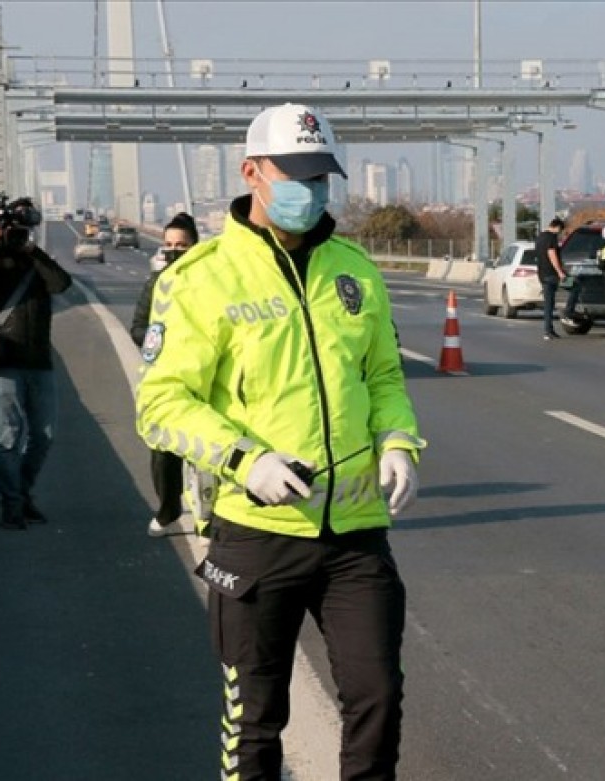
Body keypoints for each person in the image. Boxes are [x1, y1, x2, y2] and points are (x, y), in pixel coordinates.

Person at [134, 103, 425, 780]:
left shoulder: (354, 269)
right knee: (255, 718)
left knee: (379, 696)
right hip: (256, 529)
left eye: (322, 176)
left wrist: (399, 442)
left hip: (355, 533)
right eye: (295, 174)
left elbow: (382, 375)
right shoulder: (199, 278)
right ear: (252, 172)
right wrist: (245, 457)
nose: (311, 191)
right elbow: (160, 403)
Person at [0, 196, 72, 531]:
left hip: (39, 361)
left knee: (45, 435)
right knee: (9, 437)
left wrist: (30, 249)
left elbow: (61, 283)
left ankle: (22, 494)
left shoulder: (31, 261)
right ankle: (12, 507)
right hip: (2, 361)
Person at [129, 212, 199, 538]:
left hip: (207, 380)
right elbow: (138, 329)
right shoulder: (155, 285)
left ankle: (210, 518)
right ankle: (168, 508)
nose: (174, 252)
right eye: (169, 245)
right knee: (164, 453)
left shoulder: (212, 284)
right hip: (169, 380)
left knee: (208, 453)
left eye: (181, 246)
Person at [535, 216, 567, 340]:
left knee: (549, 302)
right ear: (557, 227)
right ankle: (548, 330)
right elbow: (552, 254)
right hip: (551, 274)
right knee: (550, 303)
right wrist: (560, 272)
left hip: (542, 273)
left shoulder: (540, 237)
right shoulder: (551, 238)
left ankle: (550, 330)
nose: (560, 234)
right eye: (560, 231)